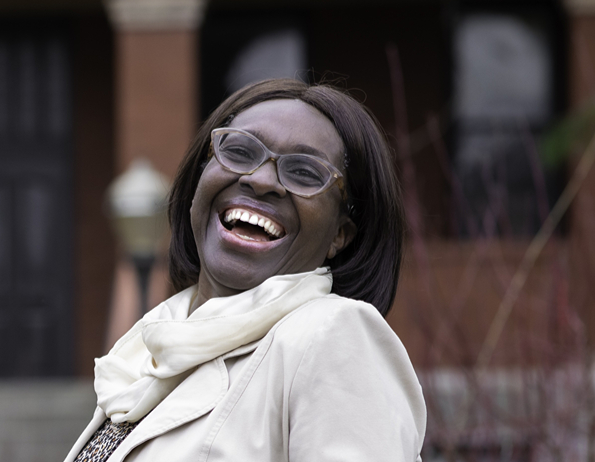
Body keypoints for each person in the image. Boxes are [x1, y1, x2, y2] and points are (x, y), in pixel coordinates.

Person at [64, 78, 426, 462]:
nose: (260, 180)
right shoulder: (143, 358)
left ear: (340, 234)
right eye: (239, 150)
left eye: (304, 172)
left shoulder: (331, 336)